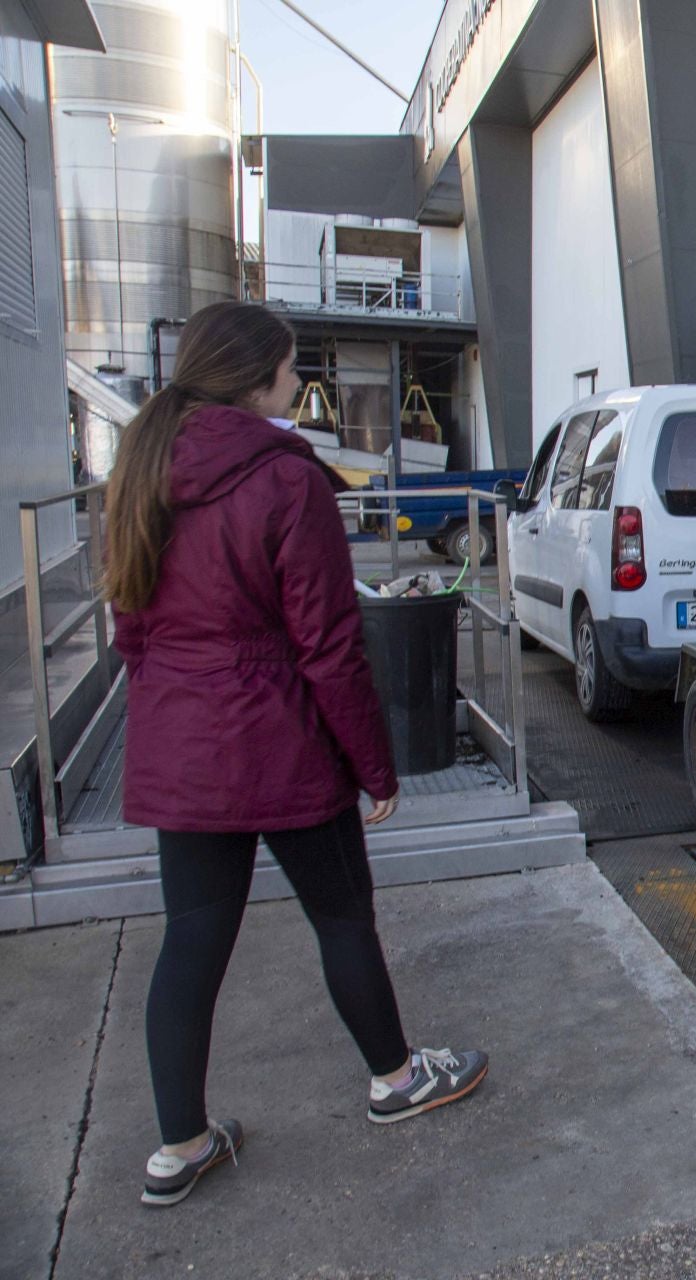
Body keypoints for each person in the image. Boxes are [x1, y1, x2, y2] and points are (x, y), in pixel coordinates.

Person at [105, 301, 488, 1208]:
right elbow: (328, 644)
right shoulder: (288, 479)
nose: (294, 379)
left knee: (191, 942)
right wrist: (374, 767)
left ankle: (179, 1147)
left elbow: (130, 630)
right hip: (279, 744)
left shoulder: (142, 465)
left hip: (182, 746)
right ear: (260, 377)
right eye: (288, 367)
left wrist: (177, 701)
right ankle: (396, 1082)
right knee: (343, 918)